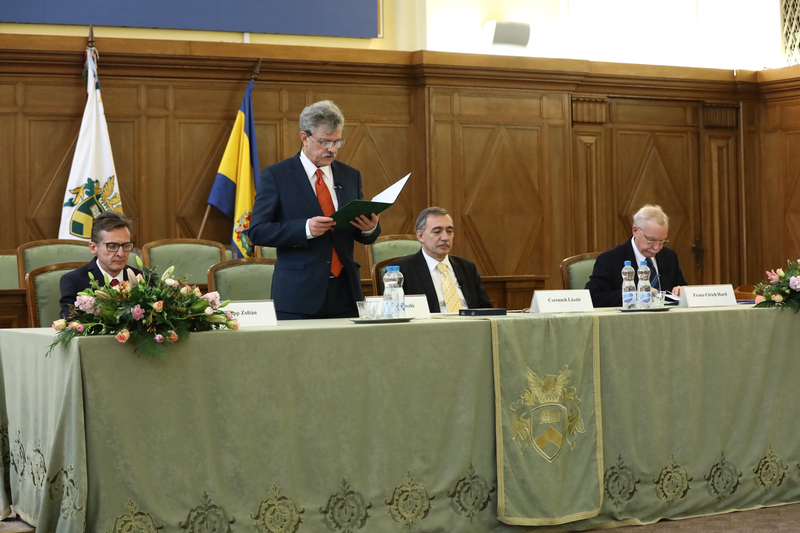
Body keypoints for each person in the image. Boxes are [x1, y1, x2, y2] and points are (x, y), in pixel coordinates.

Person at [247, 100, 380, 319]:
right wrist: (305, 229)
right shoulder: (277, 175)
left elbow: (361, 233)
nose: (332, 149)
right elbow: (257, 231)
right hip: (298, 294)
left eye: (337, 142)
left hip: (346, 293)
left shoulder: (350, 175)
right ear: (304, 137)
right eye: (325, 142)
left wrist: (369, 228)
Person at [390, 207, 492, 313]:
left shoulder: (467, 267)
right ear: (421, 236)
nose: (445, 238)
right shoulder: (402, 270)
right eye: (437, 232)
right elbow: (395, 312)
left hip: (470, 322)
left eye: (449, 231)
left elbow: (486, 308)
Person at [585, 204, 687, 307]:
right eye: (651, 240)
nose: (657, 248)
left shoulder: (669, 256)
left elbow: (681, 288)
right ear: (635, 231)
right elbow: (594, 297)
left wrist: (682, 291)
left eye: (662, 241)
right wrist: (634, 296)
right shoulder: (610, 259)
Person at [59, 211, 141, 319]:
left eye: (126, 246)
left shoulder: (144, 280)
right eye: (112, 246)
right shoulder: (74, 282)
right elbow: (71, 324)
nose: (121, 254)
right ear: (93, 248)